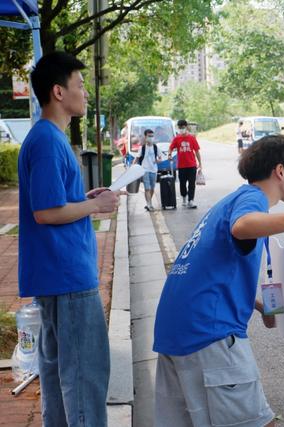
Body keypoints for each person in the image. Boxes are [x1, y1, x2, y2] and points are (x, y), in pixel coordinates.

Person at [153, 135, 284, 427]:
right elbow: (242, 227)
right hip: (207, 333)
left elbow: (214, 269)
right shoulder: (252, 200)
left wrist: (259, 305)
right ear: (281, 171)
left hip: (175, 330)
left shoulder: (231, 201)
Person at [17, 51, 122, 426]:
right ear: (59, 92)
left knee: (60, 378)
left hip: (56, 276)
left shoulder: (47, 137)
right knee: (83, 378)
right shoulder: (48, 141)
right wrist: (94, 208)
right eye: (80, 86)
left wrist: (85, 199)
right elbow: (45, 213)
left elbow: (56, 203)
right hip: (67, 276)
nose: (85, 93)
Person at [169, 118, 202, 208]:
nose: (181, 129)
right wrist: (169, 154)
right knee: (182, 183)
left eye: (183, 127)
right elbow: (171, 147)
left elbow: (197, 151)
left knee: (192, 184)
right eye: (180, 127)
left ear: (186, 127)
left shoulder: (192, 138)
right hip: (181, 166)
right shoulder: (177, 138)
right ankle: (184, 196)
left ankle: (191, 200)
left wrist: (200, 164)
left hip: (192, 165)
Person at [137, 128, 161, 211]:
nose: (151, 138)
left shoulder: (155, 147)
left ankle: (149, 202)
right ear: (145, 137)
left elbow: (160, 158)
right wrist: (132, 168)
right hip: (144, 170)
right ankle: (149, 204)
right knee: (147, 188)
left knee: (152, 188)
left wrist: (158, 160)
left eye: (152, 136)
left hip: (154, 170)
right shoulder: (142, 148)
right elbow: (137, 158)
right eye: (149, 136)